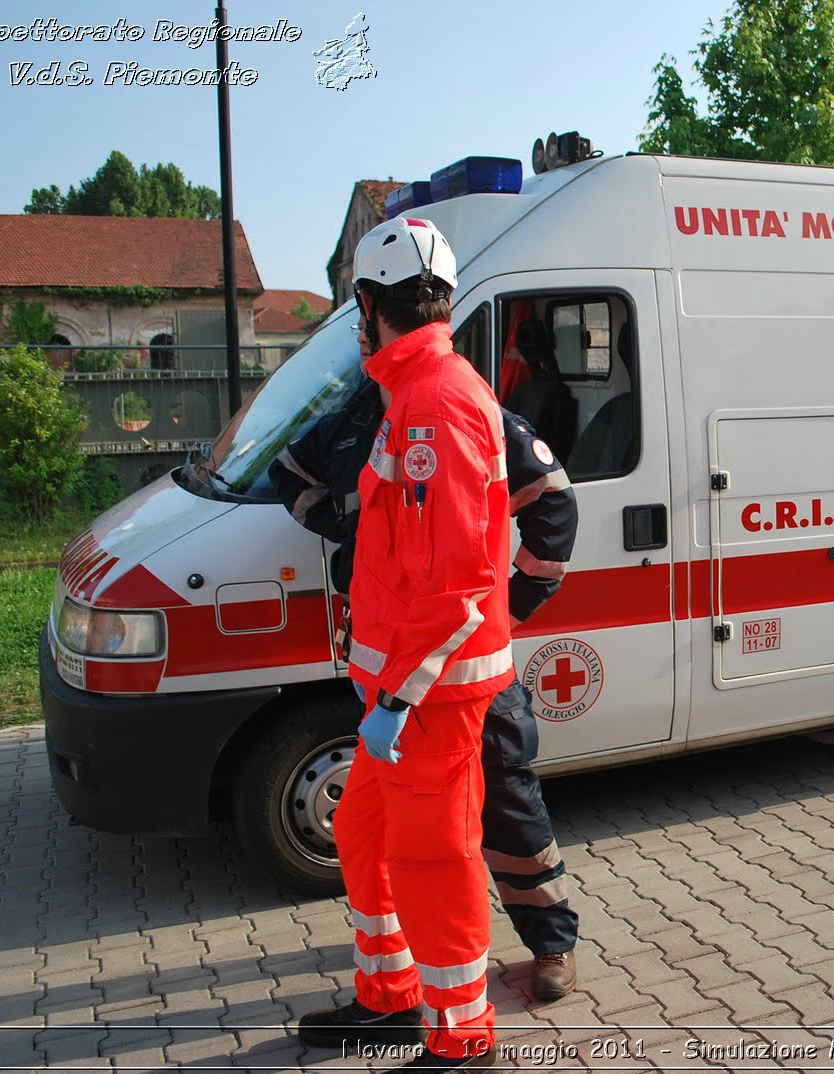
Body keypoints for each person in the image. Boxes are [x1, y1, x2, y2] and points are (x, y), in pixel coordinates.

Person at [271, 398, 583, 1005]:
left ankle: (550, 940)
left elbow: (553, 502)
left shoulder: (462, 410)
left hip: (462, 661)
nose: (364, 339)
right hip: (389, 658)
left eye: (370, 321)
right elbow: (288, 473)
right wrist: (353, 531)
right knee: (390, 820)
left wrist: (507, 609)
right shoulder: (352, 418)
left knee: (505, 800)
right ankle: (410, 950)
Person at [295, 216, 510, 1072]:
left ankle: (462, 1040)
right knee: (361, 834)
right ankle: (390, 997)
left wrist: (397, 694)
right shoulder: (412, 393)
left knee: (433, 856)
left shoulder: (439, 403)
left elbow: (457, 582)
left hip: (429, 693)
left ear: (371, 305)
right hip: (399, 684)